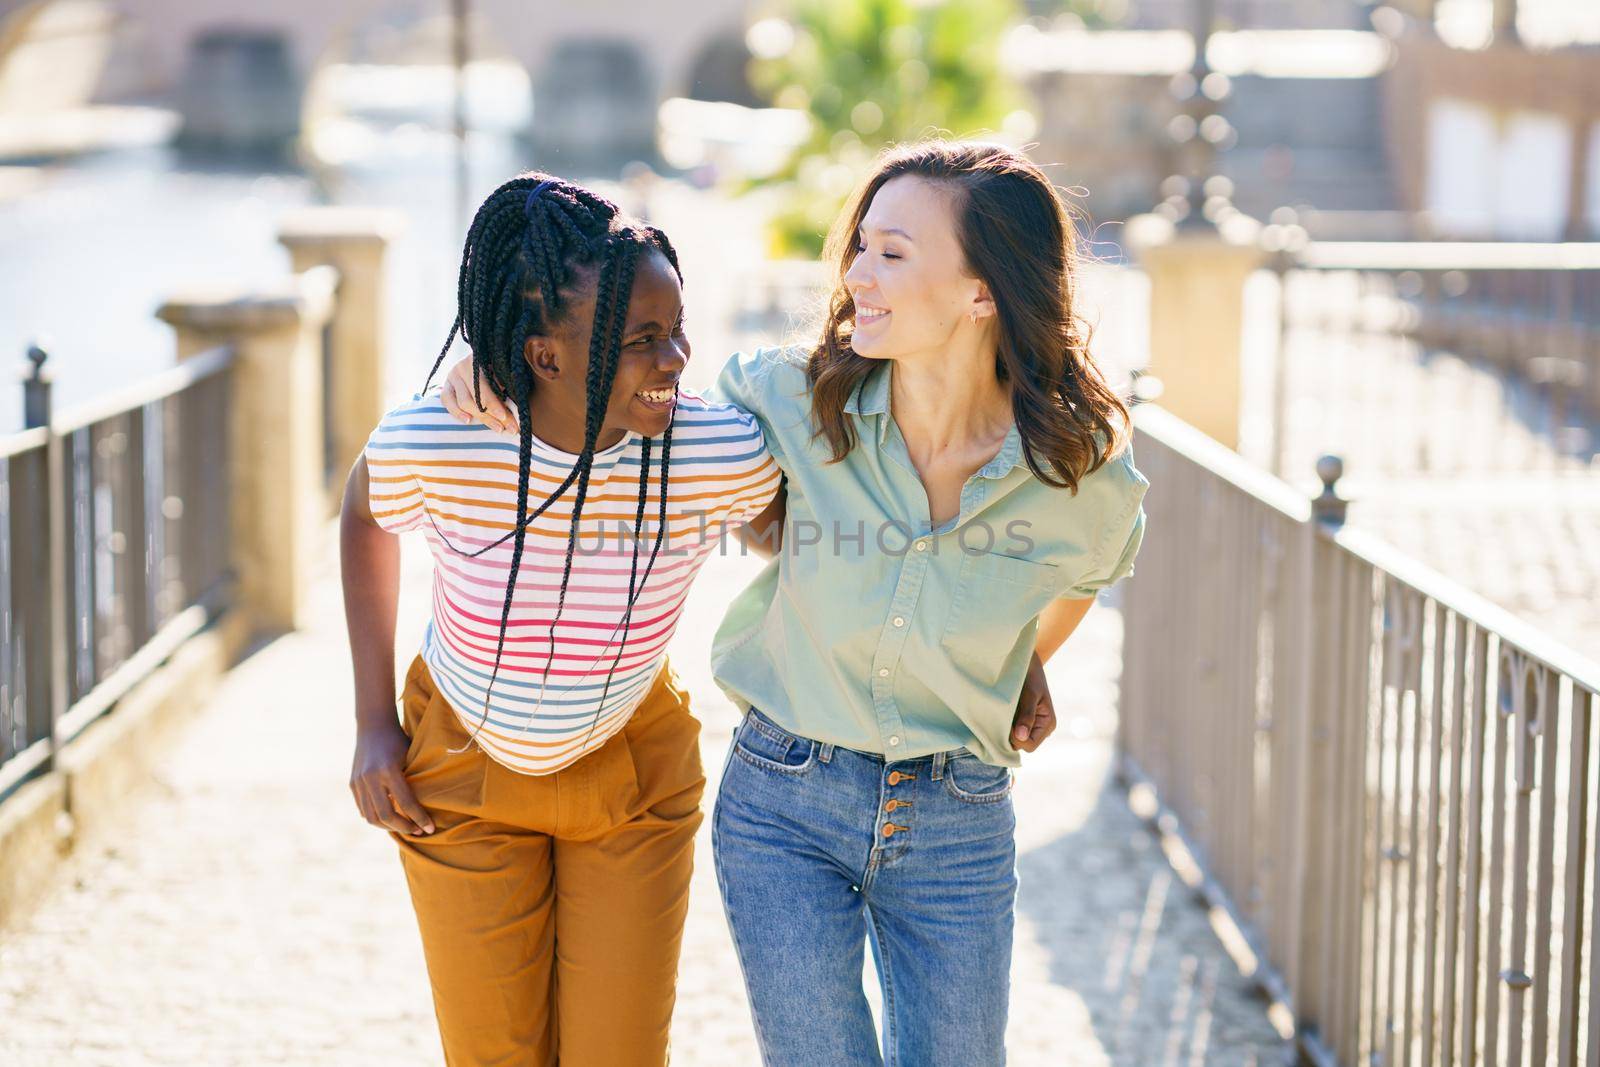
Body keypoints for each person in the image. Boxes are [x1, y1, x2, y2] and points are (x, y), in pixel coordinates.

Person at [444, 141, 1149, 1066]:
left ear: (984, 291)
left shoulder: (1079, 464)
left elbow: (1087, 573)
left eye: (893, 253)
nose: (856, 271)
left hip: (958, 818)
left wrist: (1027, 661)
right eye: (860, 245)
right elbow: (628, 394)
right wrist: (496, 369)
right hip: (784, 801)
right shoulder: (787, 398)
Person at [340, 171, 780, 1067]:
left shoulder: (713, 451)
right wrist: (373, 722)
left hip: (632, 773)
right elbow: (364, 511)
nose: (676, 359)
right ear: (543, 356)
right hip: (456, 775)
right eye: (644, 340)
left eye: (678, 330)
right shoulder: (440, 438)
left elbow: (792, 524)